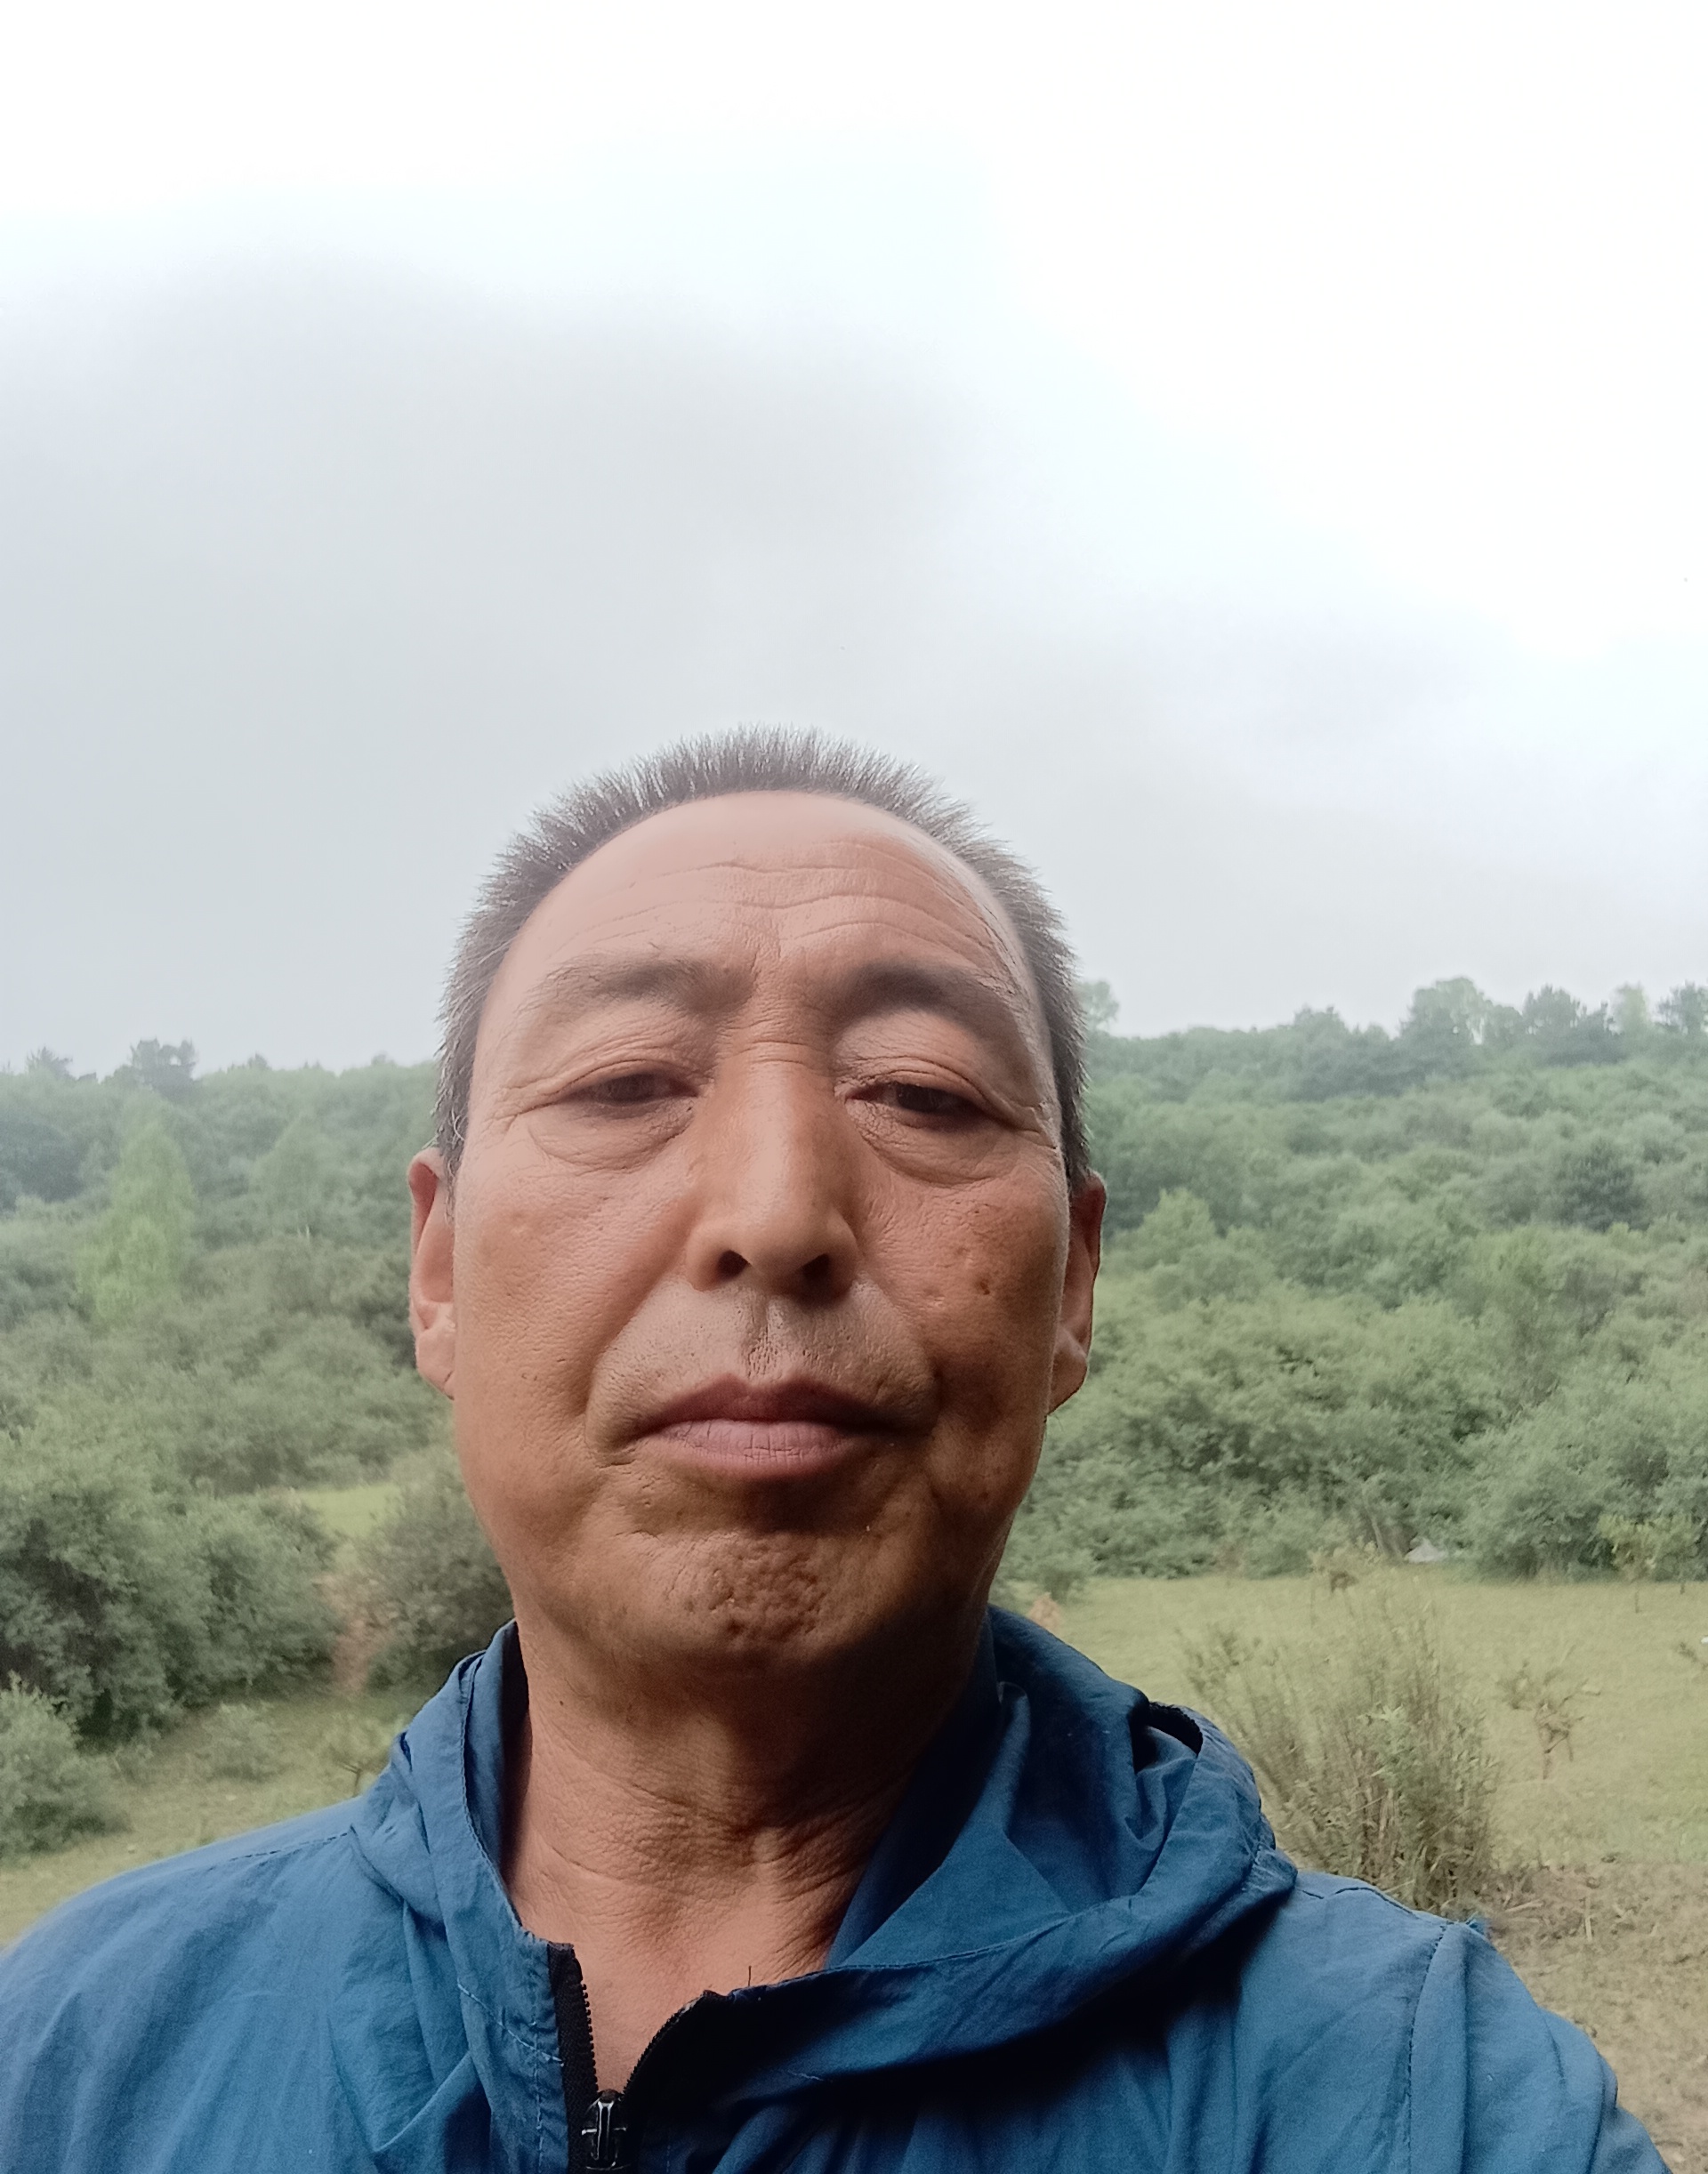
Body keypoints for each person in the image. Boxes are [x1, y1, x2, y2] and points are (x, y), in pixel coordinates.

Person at [0, 731, 1663, 2172]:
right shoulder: (80, 2058)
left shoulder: (1425, 2101)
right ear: (438, 1274)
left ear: (1072, 1288)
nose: (779, 1209)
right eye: (625, 1081)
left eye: (923, 1094)